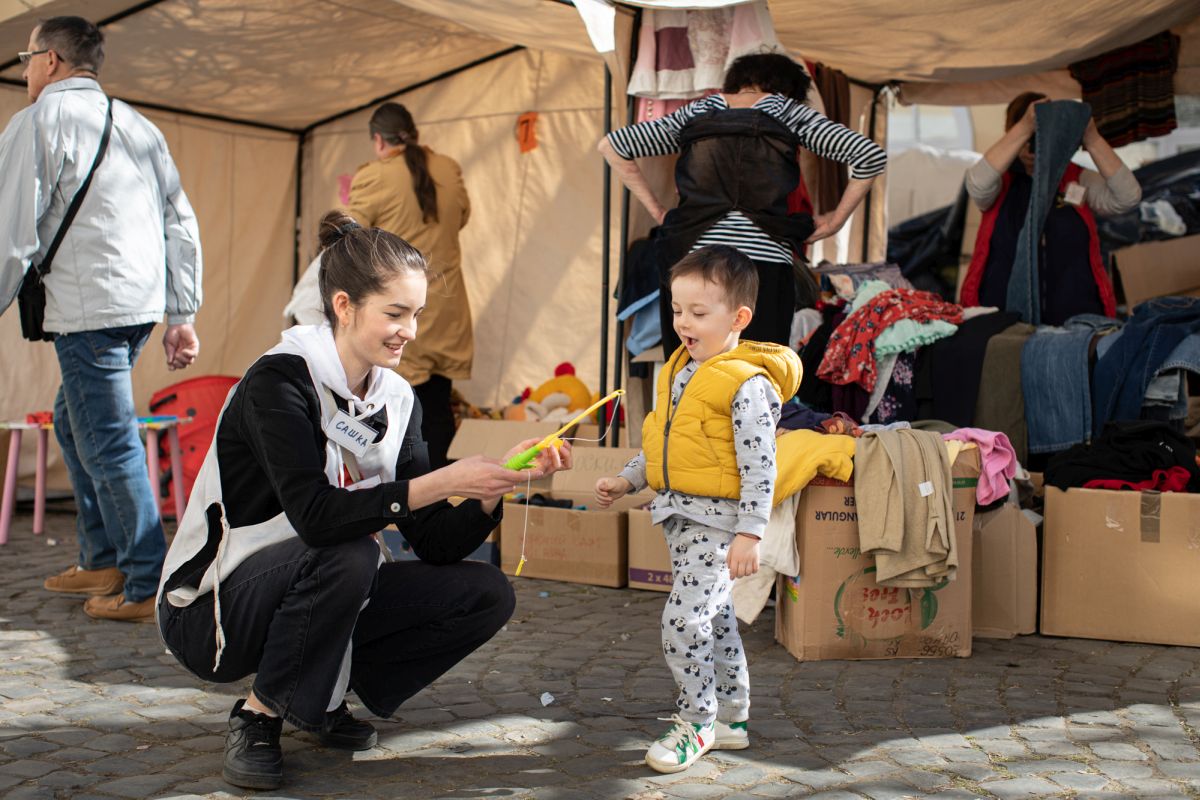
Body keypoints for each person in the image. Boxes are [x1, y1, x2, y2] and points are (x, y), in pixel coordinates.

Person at [156, 211, 570, 791]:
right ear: (345, 306)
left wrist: (489, 487)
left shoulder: (397, 399)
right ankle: (259, 714)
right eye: (395, 314)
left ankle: (318, 698)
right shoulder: (277, 382)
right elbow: (318, 518)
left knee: (485, 592)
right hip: (211, 608)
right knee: (346, 548)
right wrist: (447, 480)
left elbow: (432, 541)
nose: (410, 331)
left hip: (320, 580)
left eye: (417, 314)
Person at [0, 16, 202, 622]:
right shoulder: (139, 125)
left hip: (92, 311)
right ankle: (101, 554)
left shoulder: (36, 121)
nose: (25, 67)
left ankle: (145, 581)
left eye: (27, 56)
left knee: (108, 441)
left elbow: (11, 231)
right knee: (73, 420)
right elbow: (179, 221)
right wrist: (180, 312)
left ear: (51, 61)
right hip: (136, 307)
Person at [593, 245, 801, 774]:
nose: (683, 323)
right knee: (717, 619)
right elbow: (665, 443)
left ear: (739, 318)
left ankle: (697, 720)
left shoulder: (747, 384)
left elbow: (761, 466)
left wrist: (751, 534)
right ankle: (732, 718)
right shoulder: (681, 369)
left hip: (720, 527)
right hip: (681, 522)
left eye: (698, 313)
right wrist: (627, 479)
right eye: (677, 310)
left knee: (684, 623)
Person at [599, 52, 886, 355]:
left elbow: (613, 147)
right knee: (757, 372)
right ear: (786, 90)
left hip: (690, 259)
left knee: (687, 372)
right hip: (762, 264)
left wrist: (657, 210)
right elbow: (869, 156)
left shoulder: (697, 112)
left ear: (737, 83)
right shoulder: (787, 111)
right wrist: (835, 221)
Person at [347, 102, 472, 469]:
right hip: (447, 305)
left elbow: (349, 239)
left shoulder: (375, 176)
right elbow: (461, 217)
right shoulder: (448, 167)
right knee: (437, 404)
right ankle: (446, 496)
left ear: (378, 140)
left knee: (397, 405)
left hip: (400, 308)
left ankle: (408, 499)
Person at [961, 92, 1142, 326]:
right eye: (1025, 137)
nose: (1031, 146)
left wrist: (1091, 137)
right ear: (1012, 134)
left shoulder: (1077, 178)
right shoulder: (1000, 181)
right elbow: (977, 183)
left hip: (1076, 319)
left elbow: (1128, 197)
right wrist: (1026, 125)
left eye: (1038, 136)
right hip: (1003, 319)